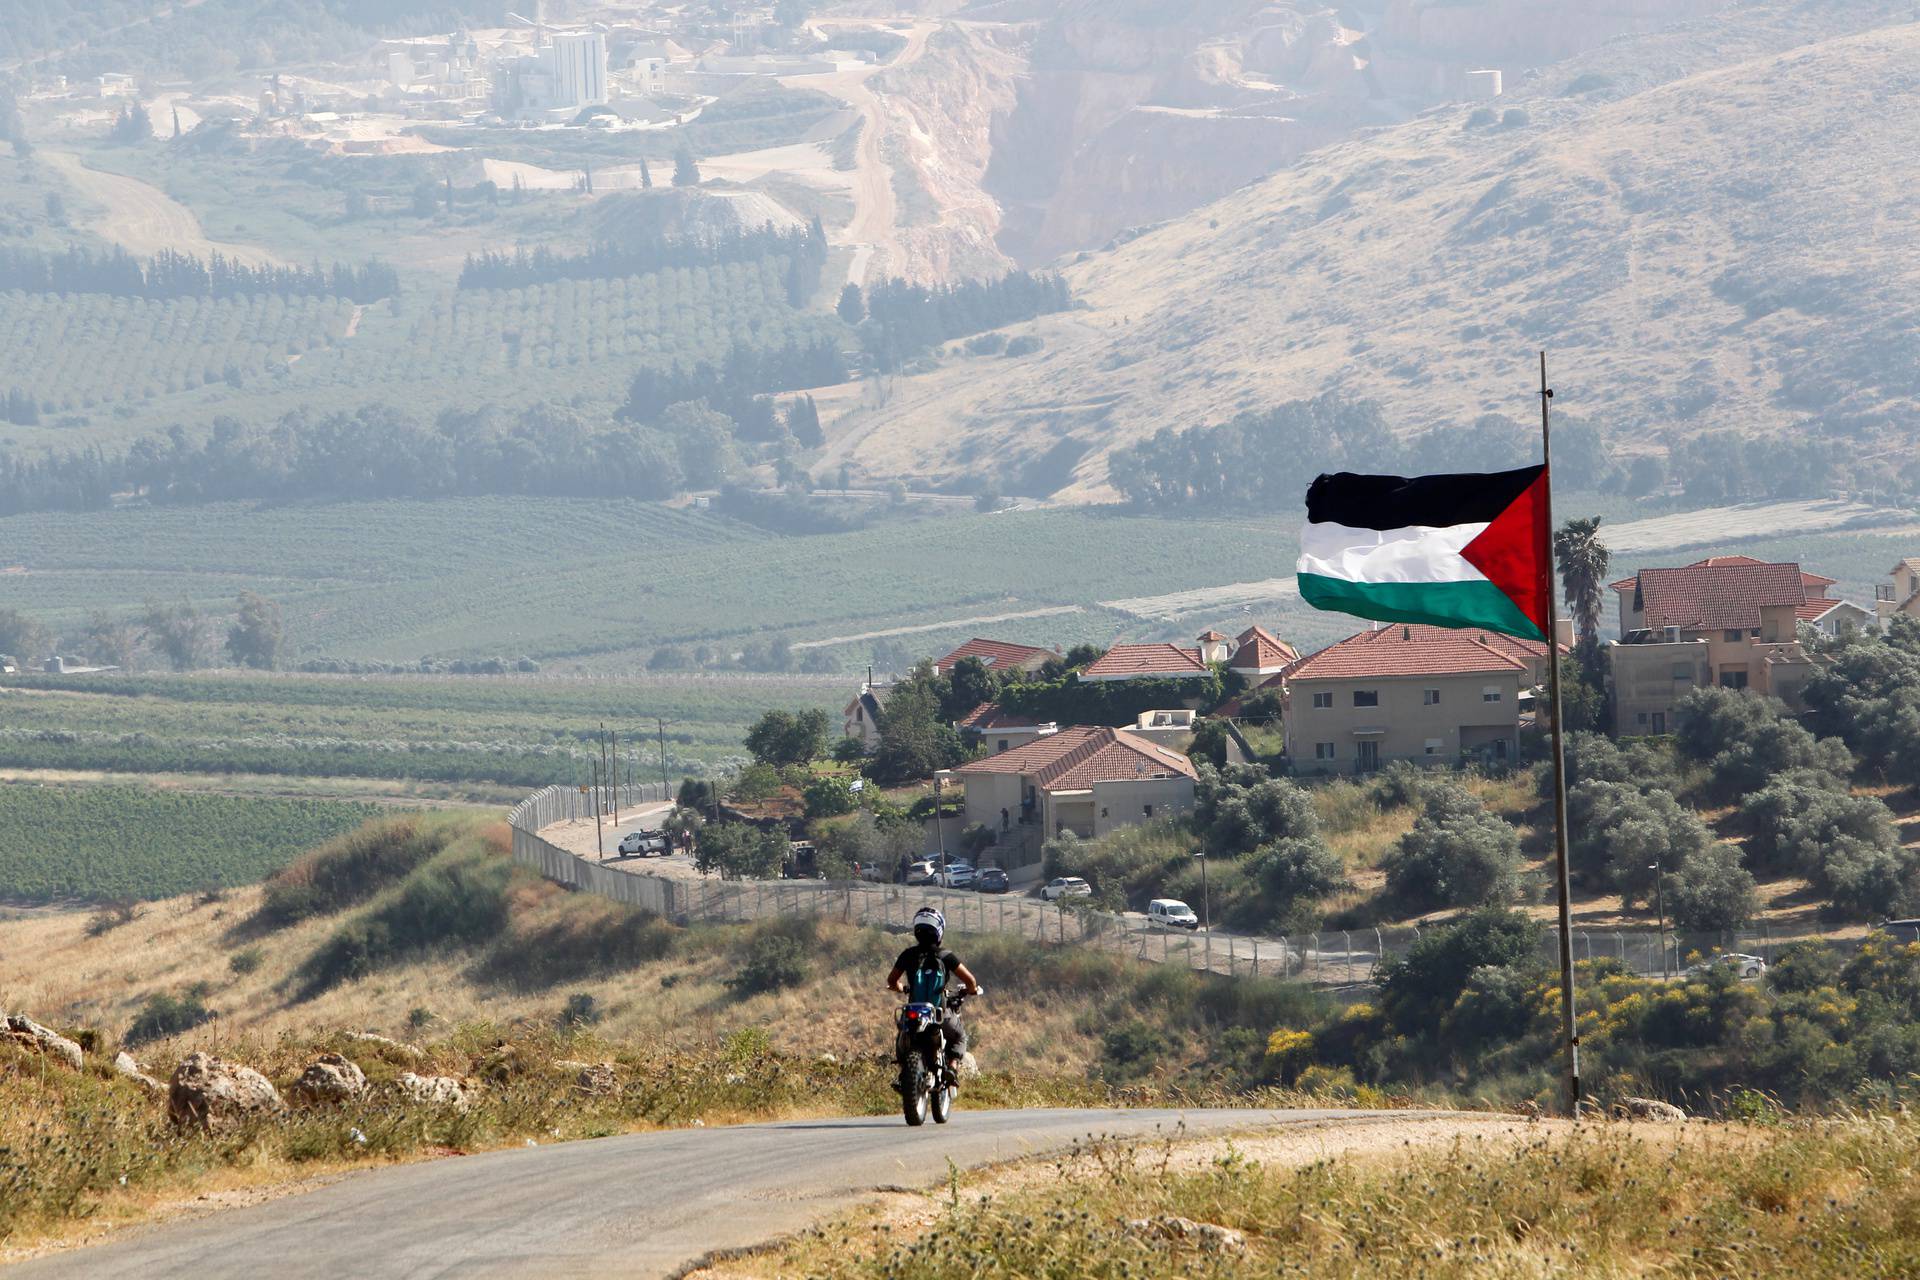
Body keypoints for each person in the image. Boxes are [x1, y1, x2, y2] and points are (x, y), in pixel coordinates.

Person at [887, 907, 980, 1068]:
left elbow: (892, 980)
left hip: (914, 1011)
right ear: (939, 931)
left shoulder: (908, 954)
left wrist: (902, 988)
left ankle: (904, 1070)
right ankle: (952, 1066)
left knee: (903, 1032)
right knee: (959, 1037)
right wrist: (970, 990)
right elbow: (970, 980)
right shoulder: (945, 955)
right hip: (938, 1012)